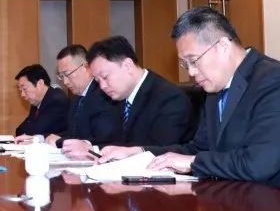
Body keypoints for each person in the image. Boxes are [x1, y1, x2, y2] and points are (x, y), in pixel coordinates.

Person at [100, 7, 280, 197]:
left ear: (223, 45)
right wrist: (140, 153)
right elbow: (198, 149)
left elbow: (258, 164)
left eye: (194, 60)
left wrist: (192, 162)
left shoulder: (278, 83)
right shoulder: (216, 89)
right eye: (185, 64)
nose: (191, 72)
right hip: (246, 205)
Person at [62, 35, 191, 158]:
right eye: (98, 81)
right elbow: (114, 142)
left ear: (127, 65)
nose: (102, 86)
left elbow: (159, 151)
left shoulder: (169, 98)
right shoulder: (117, 98)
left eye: (105, 77)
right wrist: (90, 147)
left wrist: (94, 149)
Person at [44, 44, 120, 148]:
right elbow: (74, 133)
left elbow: (103, 139)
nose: (65, 82)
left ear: (86, 67)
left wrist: (61, 141)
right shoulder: (77, 99)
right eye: (61, 76)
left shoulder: (103, 95)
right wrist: (46, 138)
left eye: (67, 74)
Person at [13, 63, 69, 141]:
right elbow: (20, 130)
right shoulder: (37, 101)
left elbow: (36, 131)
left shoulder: (57, 100)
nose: (22, 94)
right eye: (20, 90)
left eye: (24, 89)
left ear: (40, 84)